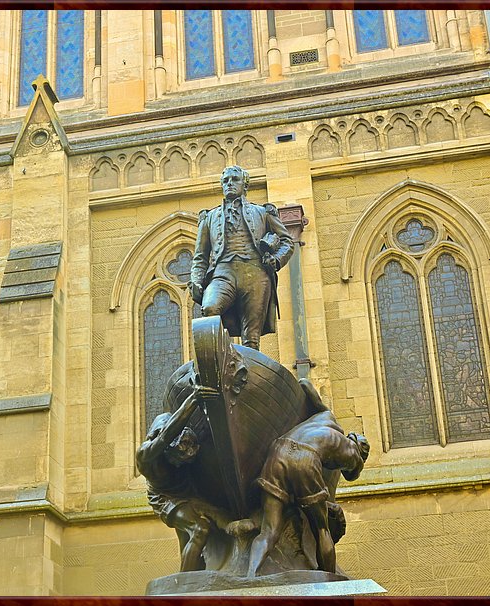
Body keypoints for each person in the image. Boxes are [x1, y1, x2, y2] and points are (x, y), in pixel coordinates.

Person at [136, 379, 251, 571]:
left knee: (202, 533)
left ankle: (195, 574)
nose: (185, 461)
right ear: (167, 450)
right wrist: (194, 397)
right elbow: (166, 436)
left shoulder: (182, 437)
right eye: (180, 458)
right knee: (200, 529)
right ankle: (183, 589)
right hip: (166, 498)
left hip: (190, 493)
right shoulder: (147, 455)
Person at [246, 401, 370, 577]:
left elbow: (304, 382)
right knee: (321, 529)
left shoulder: (327, 417)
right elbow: (352, 475)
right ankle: (329, 580)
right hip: (305, 457)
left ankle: (251, 576)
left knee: (269, 531)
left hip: (279, 449)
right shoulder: (353, 453)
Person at [189, 165, 294, 350]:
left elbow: (287, 241)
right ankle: (218, 360)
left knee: (251, 335)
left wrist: (276, 260)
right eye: (225, 181)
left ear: (245, 185)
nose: (229, 183)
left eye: (234, 179)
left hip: (255, 273)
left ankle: (249, 373)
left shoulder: (263, 212)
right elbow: (200, 257)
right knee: (210, 308)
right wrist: (196, 281)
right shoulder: (209, 217)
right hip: (223, 272)